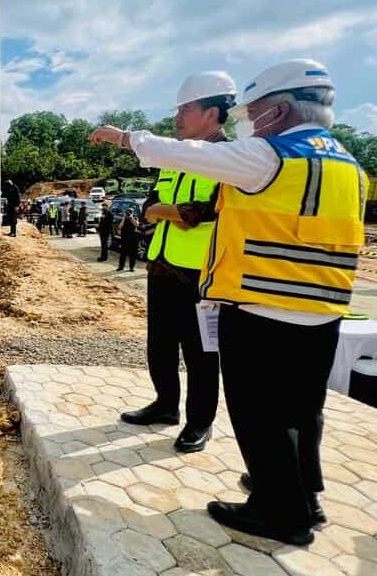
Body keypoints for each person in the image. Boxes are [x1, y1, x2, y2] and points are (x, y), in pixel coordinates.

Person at [90, 59, 368, 546]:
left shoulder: (269, 156)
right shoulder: (347, 163)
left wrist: (122, 137)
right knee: (303, 411)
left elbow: (173, 157)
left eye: (256, 114)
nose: (251, 124)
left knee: (258, 412)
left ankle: (279, 511)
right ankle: (303, 495)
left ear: (280, 110)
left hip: (263, 301)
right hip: (322, 308)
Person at [120, 72, 234, 455]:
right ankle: (165, 405)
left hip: (201, 274)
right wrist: (167, 212)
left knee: (202, 353)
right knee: (161, 345)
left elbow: (201, 212)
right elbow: (148, 208)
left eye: (186, 109)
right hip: (161, 266)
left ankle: (199, 422)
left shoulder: (228, 160)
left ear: (212, 113)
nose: (177, 117)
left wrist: (165, 212)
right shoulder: (172, 161)